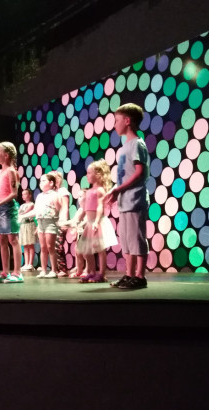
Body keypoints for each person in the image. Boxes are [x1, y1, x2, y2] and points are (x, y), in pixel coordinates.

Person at [105, 103, 150, 289]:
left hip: (135, 199)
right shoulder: (124, 148)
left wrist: (118, 189)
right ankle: (129, 274)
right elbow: (125, 174)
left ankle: (140, 276)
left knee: (137, 238)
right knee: (127, 240)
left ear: (127, 121)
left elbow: (140, 172)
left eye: (116, 120)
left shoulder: (137, 144)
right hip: (125, 201)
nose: (114, 125)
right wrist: (115, 191)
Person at [66, 160, 112, 283]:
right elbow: (85, 209)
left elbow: (100, 207)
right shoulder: (90, 191)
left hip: (97, 222)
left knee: (100, 249)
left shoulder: (100, 190)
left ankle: (101, 274)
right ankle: (91, 272)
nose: (87, 175)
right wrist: (76, 221)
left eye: (89, 173)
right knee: (86, 250)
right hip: (89, 223)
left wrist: (96, 221)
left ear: (98, 174)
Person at [0, 142, 23, 283]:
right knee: (2, 240)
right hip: (0, 208)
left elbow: (14, 193)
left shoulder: (11, 171)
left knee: (13, 239)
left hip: (8, 208)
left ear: (6, 155)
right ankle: (5, 272)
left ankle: (17, 273)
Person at [22, 173, 59, 278]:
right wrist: (23, 216)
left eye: (43, 181)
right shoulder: (39, 196)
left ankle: (53, 270)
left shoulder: (55, 195)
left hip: (50, 222)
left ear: (51, 183)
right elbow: (36, 210)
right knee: (43, 247)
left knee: (50, 247)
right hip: (40, 222)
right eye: (40, 181)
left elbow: (59, 208)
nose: (41, 183)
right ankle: (43, 270)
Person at [52, 171, 71, 277]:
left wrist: (63, 222)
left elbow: (65, 206)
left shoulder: (62, 191)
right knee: (52, 246)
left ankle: (63, 269)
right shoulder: (52, 192)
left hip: (61, 221)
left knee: (58, 246)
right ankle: (55, 269)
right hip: (52, 221)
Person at [17, 188, 36, 271]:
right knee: (25, 245)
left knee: (30, 244)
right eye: (22, 194)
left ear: (30, 195)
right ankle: (26, 263)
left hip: (29, 225)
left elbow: (25, 213)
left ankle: (30, 264)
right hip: (23, 225)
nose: (23, 196)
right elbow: (18, 213)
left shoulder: (32, 204)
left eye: (25, 194)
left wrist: (20, 214)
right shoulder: (22, 206)